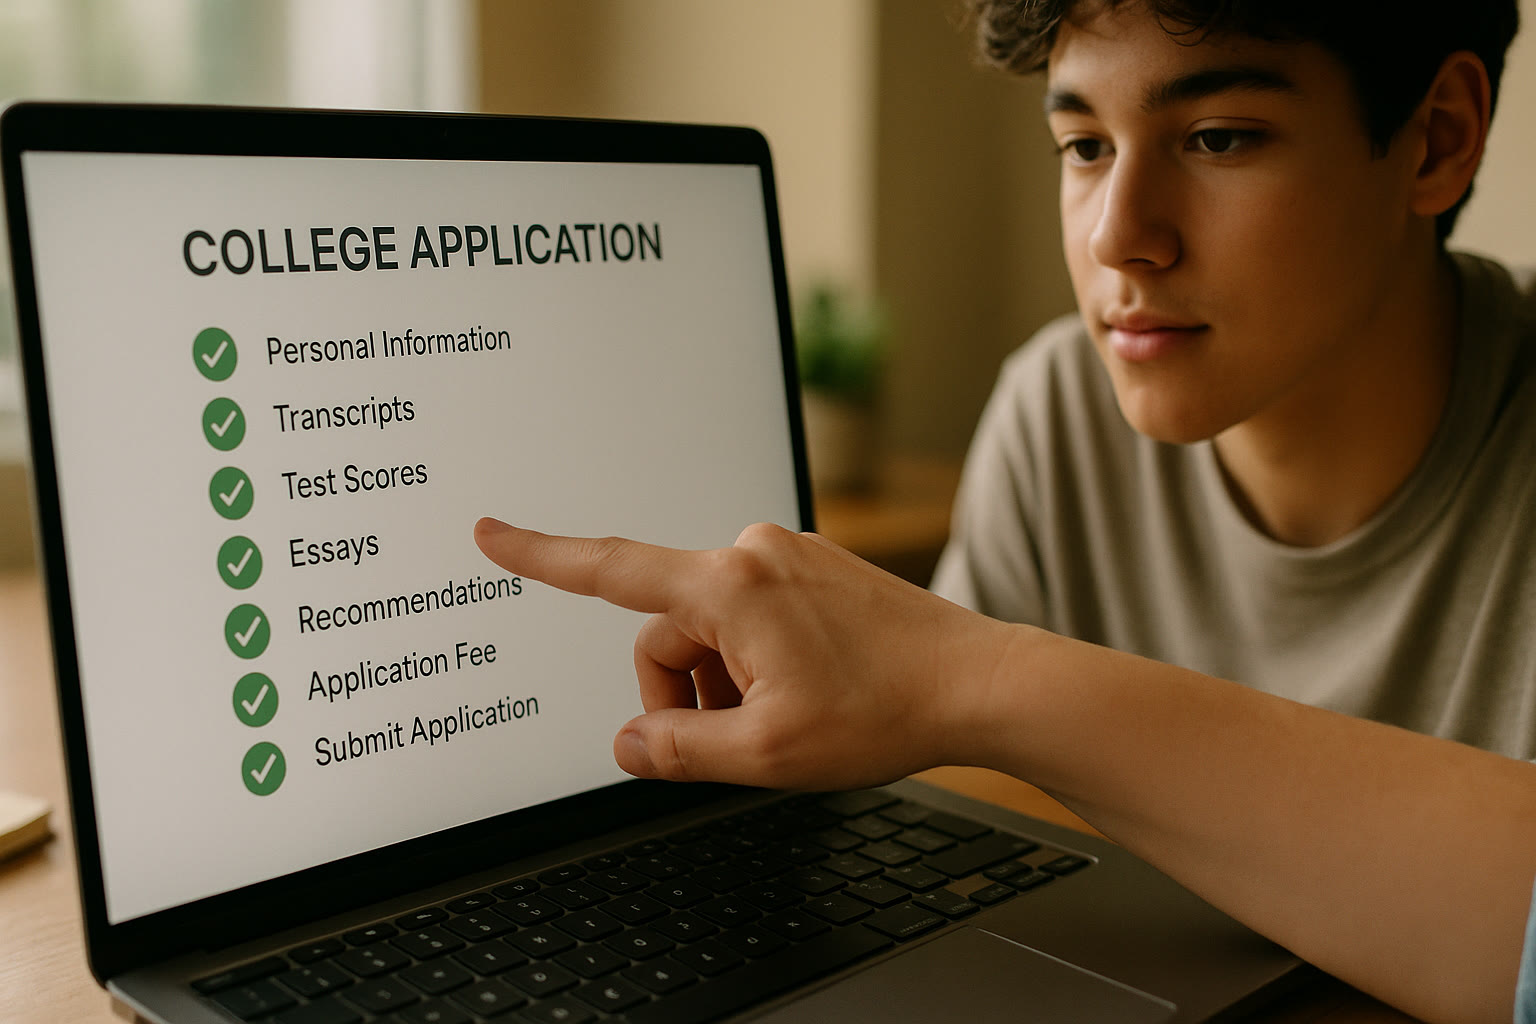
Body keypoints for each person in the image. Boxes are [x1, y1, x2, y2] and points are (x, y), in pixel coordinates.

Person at [475, 2, 1536, 1021]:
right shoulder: (1059, 409)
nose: (1120, 236)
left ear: (1436, 138)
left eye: (1218, 137)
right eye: (1083, 146)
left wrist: (968, 672)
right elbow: (980, 815)